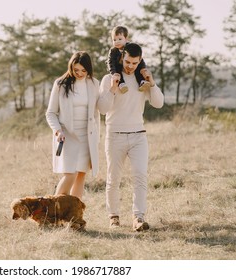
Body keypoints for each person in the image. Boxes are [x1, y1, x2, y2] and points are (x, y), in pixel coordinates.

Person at [98, 43, 164, 231]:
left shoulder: (141, 79)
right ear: (121, 58)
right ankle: (114, 218)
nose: (130, 66)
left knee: (140, 176)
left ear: (140, 61)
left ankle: (138, 217)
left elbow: (158, 103)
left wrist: (152, 82)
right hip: (114, 135)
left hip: (138, 136)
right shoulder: (108, 79)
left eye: (135, 63)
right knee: (113, 178)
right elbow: (102, 109)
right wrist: (112, 87)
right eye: (127, 61)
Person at [46, 51, 100, 200]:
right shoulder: (60, 84)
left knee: (81, 174)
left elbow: (96, 113)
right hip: (67, 135)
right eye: (76, 70)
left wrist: (97, 137)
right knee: (70, 174)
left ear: (88, 69)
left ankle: (74, 215)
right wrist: (57, 131)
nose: (80, 73)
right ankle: (54, 211)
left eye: (83, 70)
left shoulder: (94, 84)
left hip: (87, 136)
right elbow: (50, 113)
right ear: (71, 67)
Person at [106, 25, 150, 94]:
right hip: (118, 66)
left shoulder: (131, 48)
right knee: (118, 73)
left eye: (120, 39)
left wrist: (143, 68)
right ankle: (121, 84)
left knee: (137, 69)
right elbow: (110, 63)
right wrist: (114, 73)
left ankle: (142, 82)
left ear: (126, 39)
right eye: (114, 40)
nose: (117, 42)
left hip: (130, 65)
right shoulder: (113, 51)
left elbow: (139, 59)